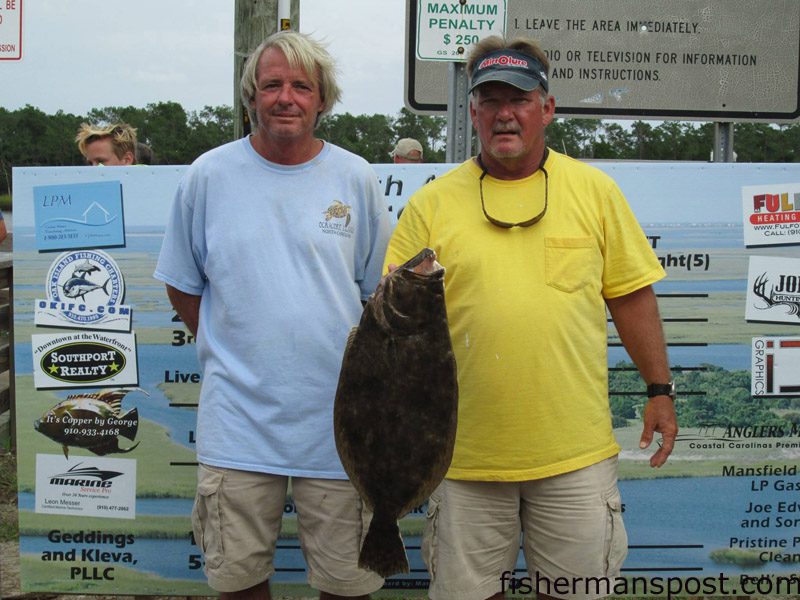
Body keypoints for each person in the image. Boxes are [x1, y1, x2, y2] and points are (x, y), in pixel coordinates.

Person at [384, 36, 678, 600]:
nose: (504, 113)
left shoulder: (595, 191)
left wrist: (660, 389)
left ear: (546, 108)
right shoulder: (430, 204)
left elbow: (631, 296)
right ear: (472, 113)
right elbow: (392, 320)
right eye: (489, 100)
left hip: (575, 458)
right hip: (460, 457)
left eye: (518, 98)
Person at [154, 31, 391, 600]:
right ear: (251, 97)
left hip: (340, 428)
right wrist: (232, 345)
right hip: (236, 425)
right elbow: (184, 288)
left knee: (348, 585)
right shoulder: (207, 177)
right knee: (237, 582)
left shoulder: (355, 178)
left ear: (322, 99)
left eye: (301, 86)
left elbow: (375, 298)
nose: (286, 97)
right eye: (272, 85)